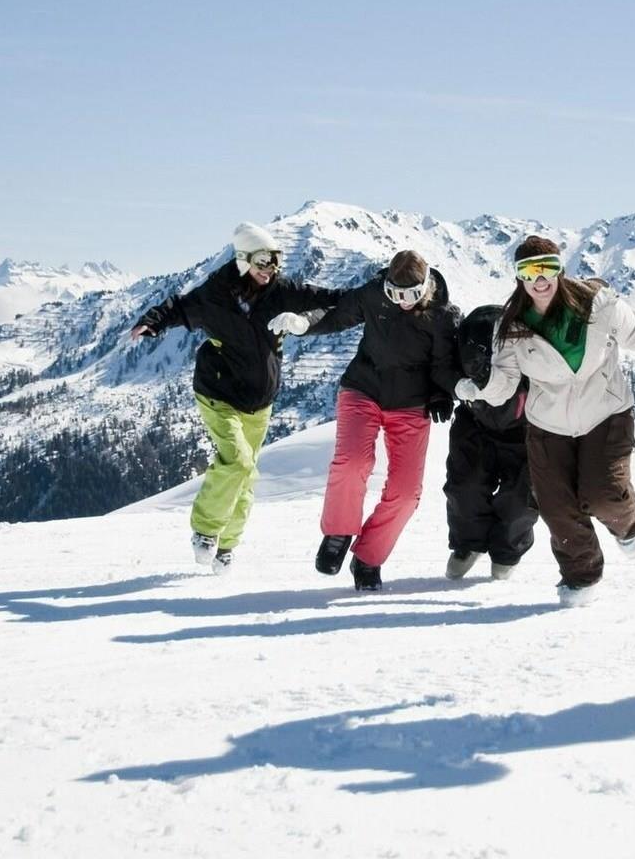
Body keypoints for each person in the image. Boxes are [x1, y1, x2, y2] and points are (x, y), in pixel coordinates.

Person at [455, 236, 635, 606]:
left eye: (547, 268)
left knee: (604, 496)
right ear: (518, 277)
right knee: (556, 507)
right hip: (548, 426)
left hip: (605, 413)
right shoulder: (512, 326)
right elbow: (505, 386)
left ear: (560, 269)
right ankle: (581, 578)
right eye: (529, 272)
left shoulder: (598, 305)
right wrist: (483, 384)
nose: (539, 280)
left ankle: (628, 525)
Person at [129, 221, 345, 573]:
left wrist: (319, 314)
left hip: (260, 401)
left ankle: (227, 546)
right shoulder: (215, 294)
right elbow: (179, 308)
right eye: (262, 261)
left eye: (275, 261)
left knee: (247, 476)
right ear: (244, 260)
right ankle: (205, 530)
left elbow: (331, 300)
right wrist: (152, 321)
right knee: (238, 462)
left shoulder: (282, 291)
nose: (269, 269)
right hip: (219, 394)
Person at [286, 251, 461, 591]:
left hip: (411, 404)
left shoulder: (442, 316)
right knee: (353, 461)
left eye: (411, 295)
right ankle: (338, 533)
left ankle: (368, 556)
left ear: (425, 287)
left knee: (407, 493)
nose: (402, 302)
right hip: (363, 389)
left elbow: (443, 364)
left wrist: (442, 393)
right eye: (394, 294)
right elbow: (337, 314)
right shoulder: (373, 294)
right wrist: (305, 324)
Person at [442, 303, 538, 581]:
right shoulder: (464, 347)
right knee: (465, 487)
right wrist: (442, 393)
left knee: (521, 496)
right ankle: (468, 544)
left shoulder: (526, 351)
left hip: (524, 429)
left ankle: (506, 552)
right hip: (476, 423)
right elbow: (440, 368)